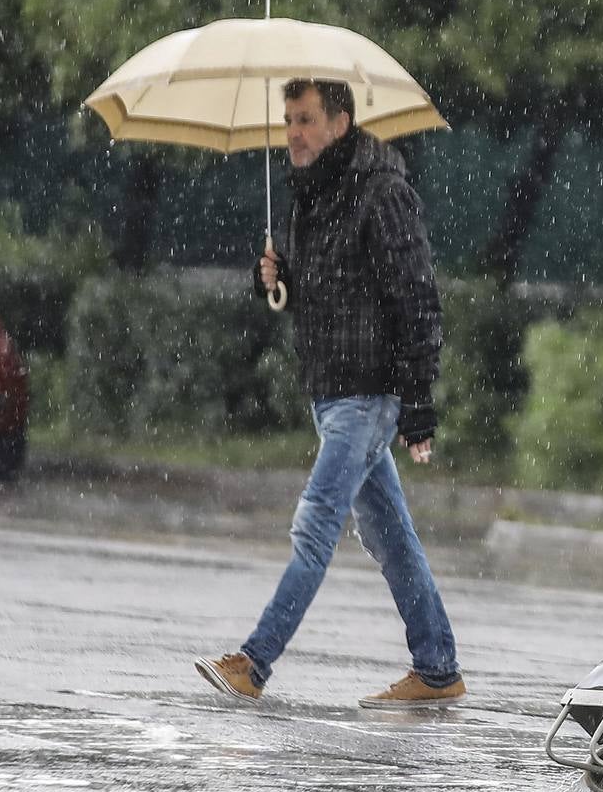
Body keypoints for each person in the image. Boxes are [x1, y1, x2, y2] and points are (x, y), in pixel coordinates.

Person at [194, 78, 464, 709]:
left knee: (315, 525)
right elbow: (324, 297)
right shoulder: (311, 198)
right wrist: (277, 281)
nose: (294, 132)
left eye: (306, 119)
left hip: (368, 395)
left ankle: (253, 663)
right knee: (389, 535)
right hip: (333, 392)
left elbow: (416, 298)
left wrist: (417, 404)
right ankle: (437, 667)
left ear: (340, 123)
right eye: (288, 119)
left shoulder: (382, 193)